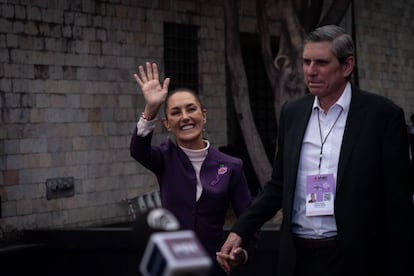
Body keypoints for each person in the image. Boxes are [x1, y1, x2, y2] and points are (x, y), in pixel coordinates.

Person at [216, 24, 414, 276]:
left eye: (321, 62)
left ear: (347, 66)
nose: (310, 71)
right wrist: (240, 230)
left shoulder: (382, 116)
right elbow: (278, 185)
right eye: (306, 62)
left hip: (355, 259)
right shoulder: (293, 112)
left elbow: (397, 203)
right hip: (297, 257)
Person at [130, 62, 254, 275]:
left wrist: (240, 254)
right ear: (167, 124)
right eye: (176, 113)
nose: (185, 117)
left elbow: (249, 221)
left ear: (203, 116)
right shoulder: (164, 157)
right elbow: (138, 150)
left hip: (215, 266)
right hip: (172, 266)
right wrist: (151, 108)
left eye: (191, 109)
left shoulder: (232, 166)